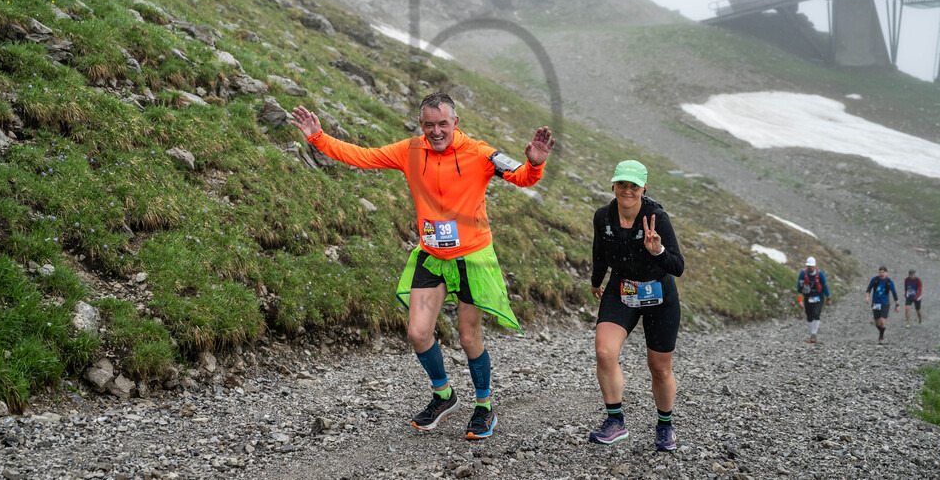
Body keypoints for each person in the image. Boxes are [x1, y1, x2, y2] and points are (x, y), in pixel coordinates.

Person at [289, 93, 555, 441]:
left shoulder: (480, 153)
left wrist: (534, 163)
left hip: (470, 258)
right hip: (432, 255)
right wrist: (317, 137)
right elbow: (364, 157)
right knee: (417, 332)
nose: (436, 130)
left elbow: (521, 177)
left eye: (442, 123)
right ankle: (444, 397)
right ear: (421, 125)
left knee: (468, 336)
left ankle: (484, 405)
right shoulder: (410, 151)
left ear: (455, 123)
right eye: (429, 124)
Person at [588, 160, 684, 452]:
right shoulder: (603, 216)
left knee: (659, 367)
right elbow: (599, 253)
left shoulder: (657, 218)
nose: (627, 191)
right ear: (613, 185)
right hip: (622, 290)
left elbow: (677, 266)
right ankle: (615, 421)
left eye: (634, 186)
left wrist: (659, 251)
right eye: (622, 184)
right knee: (604, 351)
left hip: (660, 296)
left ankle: (665, 426)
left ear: (644, 188)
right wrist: (595, 281)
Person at [796, 256, 830, 343]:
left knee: (816, 313)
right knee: (809, 316)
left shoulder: (820, 274)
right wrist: (800, 300)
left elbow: (824, 286)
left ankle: (814, 334)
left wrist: (828, 297)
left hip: (819, 297)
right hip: (808, 298)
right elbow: (799, 288)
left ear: (815, 266)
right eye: (808, 266)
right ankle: (812, 334)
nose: (810, 268)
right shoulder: (803, 274)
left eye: (811, 266)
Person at [866, 266, 899, 345]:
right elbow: (869, 289)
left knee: (882, 321)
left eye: (883, 272)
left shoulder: (889, 282)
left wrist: (897, 304)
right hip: (875, 303)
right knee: (877, 323)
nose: (881, 274)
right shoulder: (875, 280)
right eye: (880, 272)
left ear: (886, 273)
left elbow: (894, 293)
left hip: (885, 303)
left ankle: (881, 337)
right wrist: (867, 297)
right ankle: (882, 331)